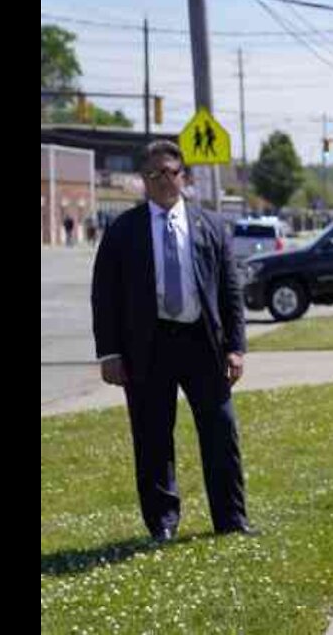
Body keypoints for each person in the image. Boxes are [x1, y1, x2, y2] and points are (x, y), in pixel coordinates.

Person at [91, 140, 252, 544]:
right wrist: (110, 352)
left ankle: (231, 519)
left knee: (221, 430)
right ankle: (163, 522)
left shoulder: (210, 225)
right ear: (143, 181)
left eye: (172, 172)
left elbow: (230, 292)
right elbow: (104, 295)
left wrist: (236, 347)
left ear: (185, 177)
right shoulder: (123, 231)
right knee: (152, 436)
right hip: (148, 346)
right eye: (156, 173)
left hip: (202, 343)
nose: (166, 180)